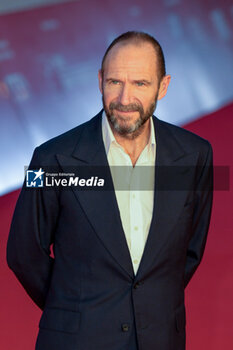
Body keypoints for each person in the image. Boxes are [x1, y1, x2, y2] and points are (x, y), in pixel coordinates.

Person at [7, 31, 213, 350]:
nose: (124, 98)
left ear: (163, 86)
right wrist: (72, 307)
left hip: (160, 339)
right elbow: (22, 253)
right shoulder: (48, 159)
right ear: (100, 80)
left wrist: (148, 302)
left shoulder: (197, 155)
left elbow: (190, 251)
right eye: (115, 82)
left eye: (140, 84)